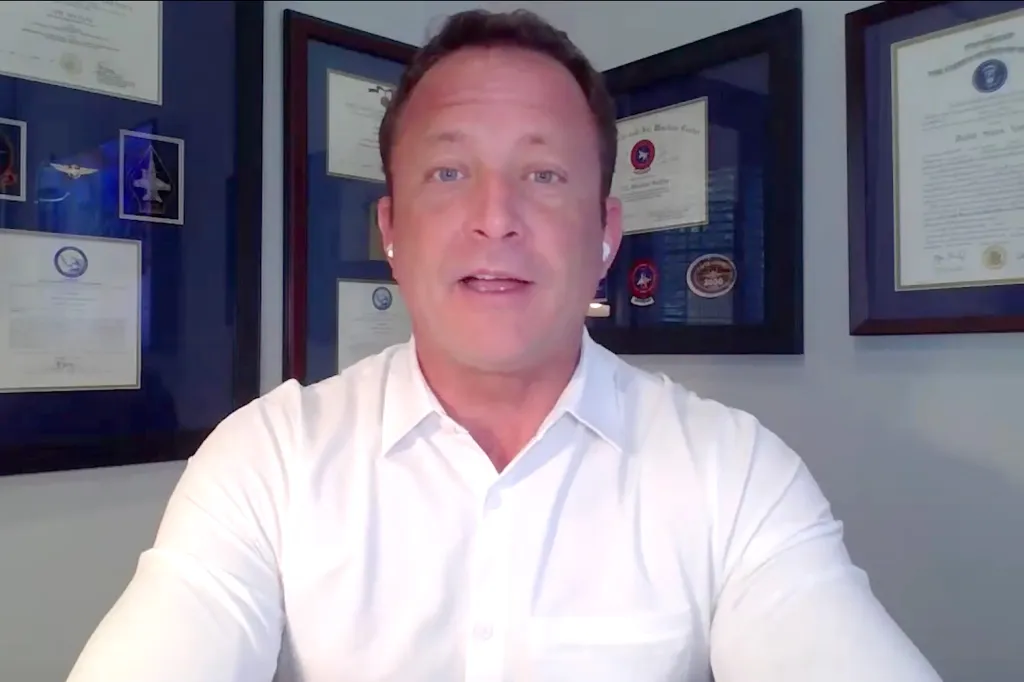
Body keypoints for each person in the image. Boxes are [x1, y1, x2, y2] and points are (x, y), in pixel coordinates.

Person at [66, 9, 942, 682]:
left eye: (544, 174)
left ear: (605, 234)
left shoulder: (733, 473)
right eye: (449, 173)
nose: (495, 217)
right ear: (393, 231)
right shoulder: (269, 460)